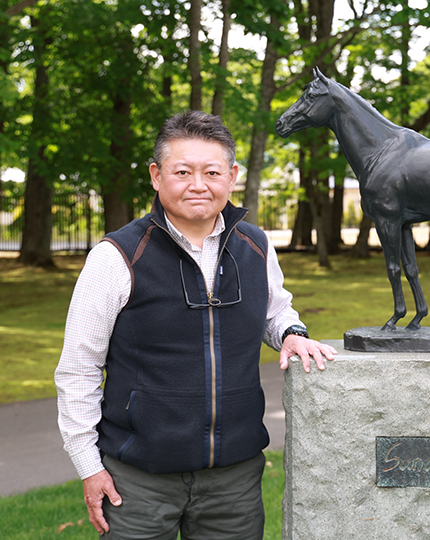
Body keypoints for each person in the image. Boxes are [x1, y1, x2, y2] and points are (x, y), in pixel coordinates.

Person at [55, 110, 337, 539]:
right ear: (156, 175)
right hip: (138, 480)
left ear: (232, 175)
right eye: (182, 171)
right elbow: (78, 367)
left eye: (212, 171)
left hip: (234, 481)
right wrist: (88, 466)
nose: (198, 184)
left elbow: (275, 311)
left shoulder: (256, 246)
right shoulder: (115, 256)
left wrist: (292, 335)